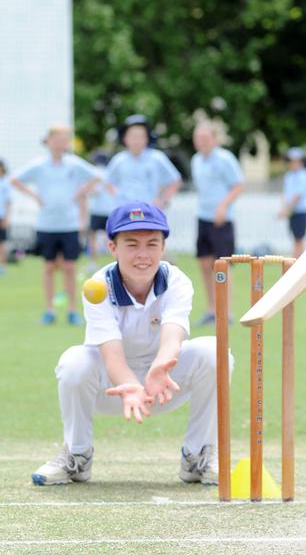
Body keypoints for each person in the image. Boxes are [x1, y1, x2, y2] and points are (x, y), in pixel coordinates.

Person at [31, 201, 232, 486]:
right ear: (112, 248)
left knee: (215, 351)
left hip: (163, 385)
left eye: (152, 244)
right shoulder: (98, 286)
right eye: (131, 244)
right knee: (73, 361)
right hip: (113, 388)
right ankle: (77, 457)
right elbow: (111, 353)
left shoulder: (177, 281)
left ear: (163, 248)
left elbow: (173, 333)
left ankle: (197, 457)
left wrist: (160, 368)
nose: (142, 254)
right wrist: (131, 385)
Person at [11, 125, 98, 324]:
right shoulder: (39, 165)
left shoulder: (74, 164)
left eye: (64, 139)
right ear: (48, 142)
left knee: (70, 266)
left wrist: (80, 192)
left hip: (69, 224)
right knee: (49, 267)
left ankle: (72, 310)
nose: (60, 143)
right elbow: (14, 179)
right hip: (46, 224)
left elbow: (97, 176)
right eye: (56, 139)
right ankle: (49, 310)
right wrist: (34, 195)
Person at [191, 121, 245, 325]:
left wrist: (223, 206)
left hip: (222, 220)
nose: (201, 142)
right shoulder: (196, 160)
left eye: (205, 138)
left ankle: (226, 311)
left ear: (214, 139)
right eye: (198, 139)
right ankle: (211, 309)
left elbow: (239, 185)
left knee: (221, 265)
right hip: (202, 217)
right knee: (204, 264)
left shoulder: (224, 158)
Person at [106, 114, 182, 207]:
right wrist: (119, 197)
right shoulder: (118, 159)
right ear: (125, 138)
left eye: (140, 136)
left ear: (147, 138)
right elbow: (108, 182)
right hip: (126, 213)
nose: (136, 140)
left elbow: (175, 180)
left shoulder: (157, 158)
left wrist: (163, 200)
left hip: (150, 212)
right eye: (133, 135)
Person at [278, 147, 306, 257]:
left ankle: (296, 265)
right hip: (292, 211)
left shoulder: (304, 175)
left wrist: (287, 209)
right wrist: (284, 208)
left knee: (299, 240)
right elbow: (286, 193)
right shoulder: (289, 175)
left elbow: (298, 196)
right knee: (296, 239)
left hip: (301, 211)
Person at [85, 152, 116, 264]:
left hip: (97, 210)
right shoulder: (111, 173)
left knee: (92, 236)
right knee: (113, 238)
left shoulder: (94, 173)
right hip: (111, 210)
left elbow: (94, 191)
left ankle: (93, 262)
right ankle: (116, 262)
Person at [0, 159, 11, 274]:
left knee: (2, 243)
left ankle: (2, 267)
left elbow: (8, 202)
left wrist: (7, 217)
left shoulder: (5, 183)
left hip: (1, 216)